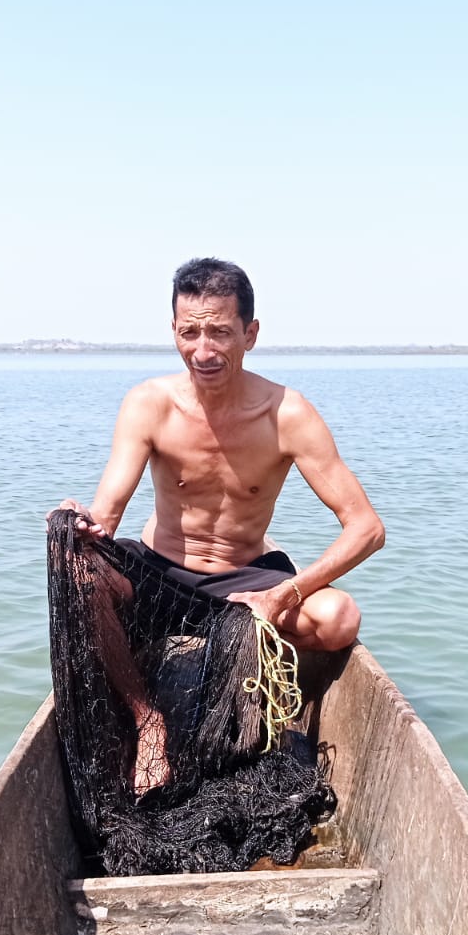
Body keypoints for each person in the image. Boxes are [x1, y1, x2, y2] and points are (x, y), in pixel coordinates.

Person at [51, 257, 385, 792]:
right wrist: (79, 526)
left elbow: (366, 528)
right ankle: (148, 722)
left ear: (250, 334)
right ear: (174, 331)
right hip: (160, 572)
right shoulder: (148, 404)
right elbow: (107, 518)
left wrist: (284, 594)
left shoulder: (286, 414)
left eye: (220, 332)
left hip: (244, 582)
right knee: (80, 572)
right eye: (189, 332)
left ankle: (259, 692)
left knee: (340, 617)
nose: (203, 351)